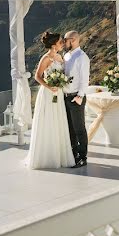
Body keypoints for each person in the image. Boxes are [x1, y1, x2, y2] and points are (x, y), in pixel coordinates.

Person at [25, 32, 76, 170]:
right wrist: (49, 86)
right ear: (53, 45)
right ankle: (47, 156)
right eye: (60, 42)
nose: (62, 44)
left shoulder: (60, 57)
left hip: (58, 94)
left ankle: (60, 155)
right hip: (48, 94)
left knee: (58, 121)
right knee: (48, 121)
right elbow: (37, 76)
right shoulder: (46, 58)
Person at [63, 30, 90, 167]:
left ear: (73, 40)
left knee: (79, 129)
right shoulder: (66, 56)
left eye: (65, 40)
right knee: (70, 129)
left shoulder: (82, 57)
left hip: (76, 98)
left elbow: (85, 80)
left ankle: (83, 157)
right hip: (65, 97)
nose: (63, 42)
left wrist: (79, 96)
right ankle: (73, 155)